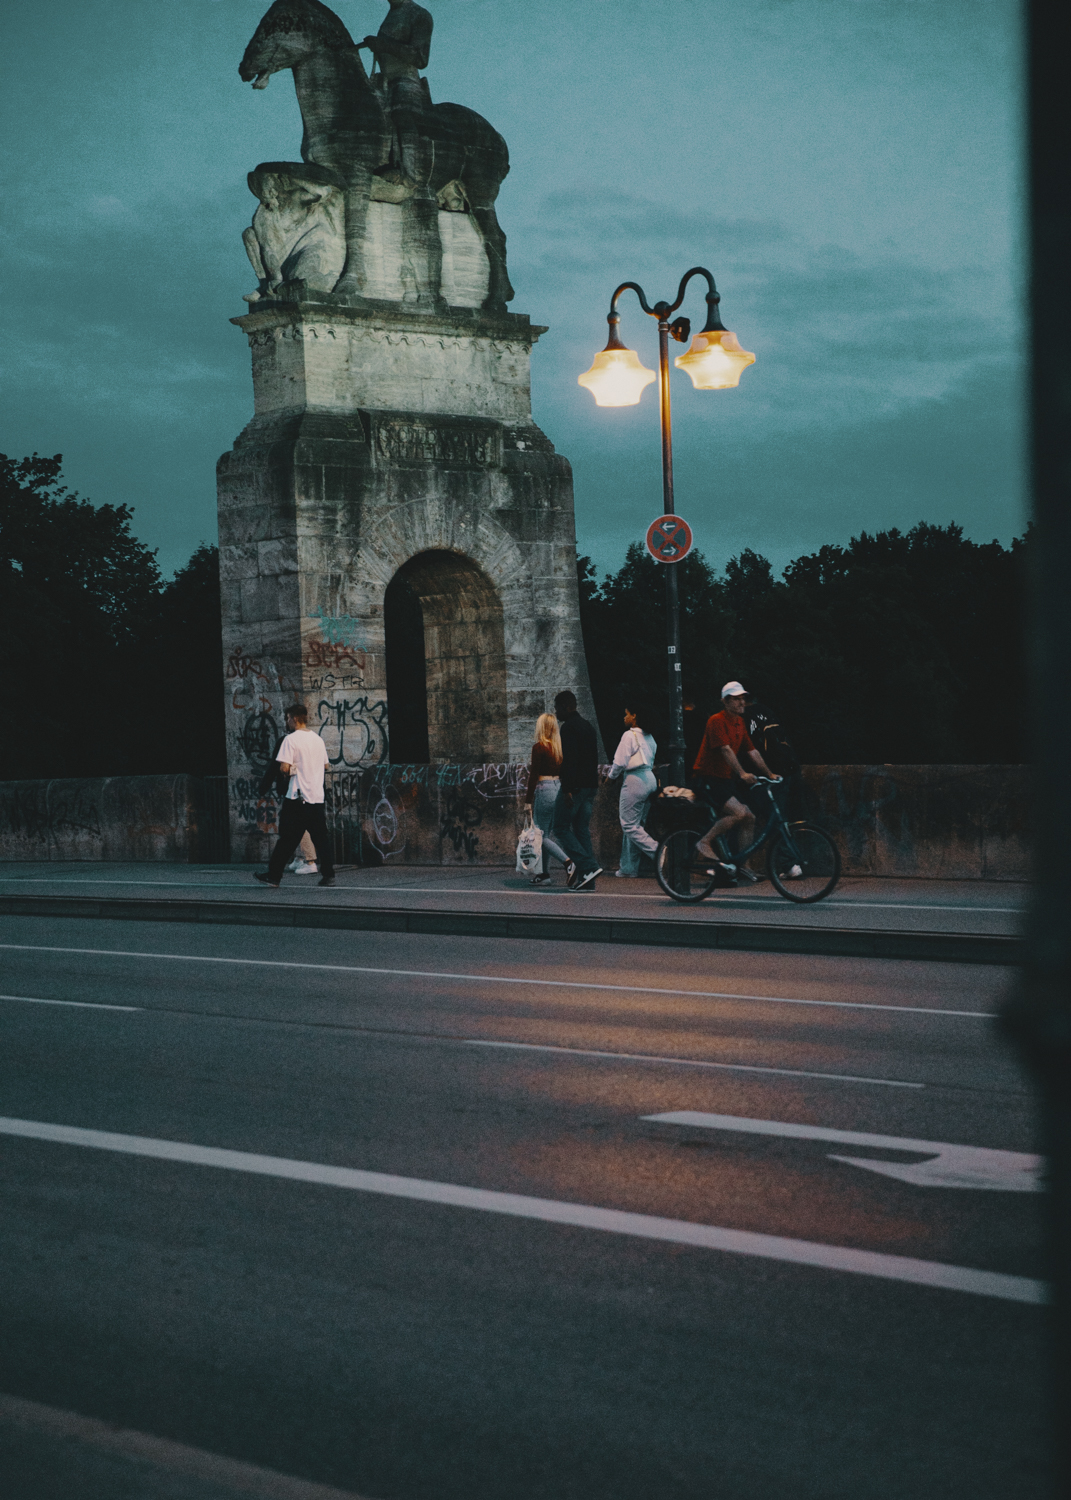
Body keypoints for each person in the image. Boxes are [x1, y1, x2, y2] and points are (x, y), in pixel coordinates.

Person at [692, 680, 779, 874]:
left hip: (724, 780)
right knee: (739, 813)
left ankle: (744, 865)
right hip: (707, 778)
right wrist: (742, 773)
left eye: (742, 698)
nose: (741, 703)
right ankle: (704, 842)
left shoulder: (740, 723)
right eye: (736, 699)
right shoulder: (716, 720)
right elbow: (725, 750)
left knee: (749, 817)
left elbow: (752, 751)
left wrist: (769, 774)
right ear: (725, 701)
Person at [254, 705, 335, 888]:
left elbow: (283, 767)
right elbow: (325, 766)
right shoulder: (318, 739)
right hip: (316, 798)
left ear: (294, 718)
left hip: (297, 798)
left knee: (286, 839)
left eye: (288, 718)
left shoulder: (290, 740)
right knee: (321, 839)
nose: (287, 722)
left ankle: (274, 876)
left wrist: (291, 771)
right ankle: (329, 875)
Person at [551, 690, 603, 891]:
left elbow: (569, 761)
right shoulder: (588, 726)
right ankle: (588, 878)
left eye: (557, 708)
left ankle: (589, 867)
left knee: (561, 827)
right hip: (590, 786)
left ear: (566, 706)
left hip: (576, 786)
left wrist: (567, 789)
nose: (556, 713)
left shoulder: (568, 728)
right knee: (581, 829)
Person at [606, 701, 659, 877]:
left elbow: (620, 762)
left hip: (635, 780)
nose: (624, 717)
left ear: (634, 716)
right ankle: (628, 867)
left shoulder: (629, 736)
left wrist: (611, 778)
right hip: (650, 779)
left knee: (628, 825)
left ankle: (658, 852)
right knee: (637, 825)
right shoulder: (649, 737)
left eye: (626, 713)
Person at [524, 713, 575, 887]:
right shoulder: (559, 749)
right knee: (546, 833)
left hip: (544, 789)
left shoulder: (539, 747)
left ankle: (568, 863)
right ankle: (544, 874)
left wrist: (528, 800)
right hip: (558, 788)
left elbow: (533, 776)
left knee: (539, 835)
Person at [257, 738, 319, 874]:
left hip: (293, 791)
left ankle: (310, 860)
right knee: (295, 826)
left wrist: (263, 788)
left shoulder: (286, 743)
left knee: (298, 825)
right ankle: (300, 857)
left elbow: (274, 767)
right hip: (303, 790)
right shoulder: (307, 743)